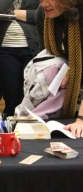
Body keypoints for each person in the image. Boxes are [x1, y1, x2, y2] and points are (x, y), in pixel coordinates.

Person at [0, 0, 40, 116]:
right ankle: (12, 132)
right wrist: (22, 14)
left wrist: (15, 14)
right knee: (12, 100)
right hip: (5, 50)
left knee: (32, 99)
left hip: (33, 49)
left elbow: (43, 14)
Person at [35, 0, 83, 137]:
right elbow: (47, 59)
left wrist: (81, 120)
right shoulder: (42, 14)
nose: (44, 4)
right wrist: (66, 70)